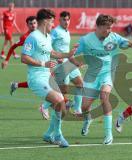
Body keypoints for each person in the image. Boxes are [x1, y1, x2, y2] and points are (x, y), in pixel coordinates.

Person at [69, 14, 132, 145]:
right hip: (92, 76)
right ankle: (88, 119)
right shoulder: (85, 40)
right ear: (98, 26)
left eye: (111, 28)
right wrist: (75, 62)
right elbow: (71, 54)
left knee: (104, 98)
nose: (109, 30)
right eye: (107, 28)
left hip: (107, 73)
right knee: (85, 106)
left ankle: (108, 135)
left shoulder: (113, 37)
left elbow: (131, 44)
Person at [21, 8, 76, 148]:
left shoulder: (47, 37)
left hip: (47, 77)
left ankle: (50, 134)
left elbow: (52, 53)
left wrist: (68, 55)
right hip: (36, 78)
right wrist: (42, 63)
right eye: (52, 21)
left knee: (62, 107)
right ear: (45, 21)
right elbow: (24, 57)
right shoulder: (33, 37)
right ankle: (58, 136)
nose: (53, 24)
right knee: (59, 100)